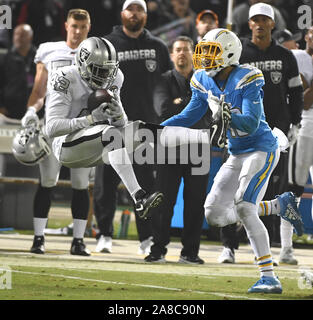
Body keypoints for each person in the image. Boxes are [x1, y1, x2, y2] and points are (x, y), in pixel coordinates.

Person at [160, 27, 303, 293]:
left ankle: (269, 276)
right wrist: (156, 128)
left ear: (228, 53)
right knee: (213, 214)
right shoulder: (202, 78)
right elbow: (189, 115)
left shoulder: (247, 77)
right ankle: (277, 206)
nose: (204, 59)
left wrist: (225, 116)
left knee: (245, 207)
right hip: (237, 152)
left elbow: (249, 122)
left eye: (211, 52)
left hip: (261, 147)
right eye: (202, 52)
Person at [219, 2, 304, 265]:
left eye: (263, 20)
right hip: (242, 132)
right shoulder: (239, 54)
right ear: (249, 24)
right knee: (232, 188)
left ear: (272, 24)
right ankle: (228, 247)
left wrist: (296, 124)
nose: (258, 24)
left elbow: (296, 93)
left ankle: (261, 250)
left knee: (265, 190)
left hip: (274, 133)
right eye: (254, 20)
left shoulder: (285, 56)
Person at [93, 0, 172, 254]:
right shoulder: (108, 44)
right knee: (106, 182)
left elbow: (167, 83)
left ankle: (146, 239)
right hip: (112, 125)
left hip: (145, 127)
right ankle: (104, 234)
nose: (135, 13)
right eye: (131, 9)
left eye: (140, 9)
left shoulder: (158, 46)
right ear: (122, 13)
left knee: (145, 183)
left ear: (146, 15)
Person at [20, 9, 94, 256]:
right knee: (47, 182)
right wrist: (32, 109)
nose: (77, 31)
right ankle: (39, 238)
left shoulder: (96, 52)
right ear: (66, 25)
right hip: (53, 124)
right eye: (74, 26)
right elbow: (40, 89)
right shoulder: (49, 49)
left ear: (88, 28)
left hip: (82, 126)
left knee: (81, 184)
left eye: (82, 27)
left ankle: (78, 241)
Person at [144, 36, 210, 264]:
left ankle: (190, 252)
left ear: (193, 54)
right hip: (169, 147)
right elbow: (162, 109)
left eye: (186, 50)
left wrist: (179, 103)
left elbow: (209, 111)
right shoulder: (162, 80)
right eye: (178, 50)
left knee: (195, 202)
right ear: (172, 55)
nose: (182, 53)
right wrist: (194, 105)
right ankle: (158, 248)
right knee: (163, 200)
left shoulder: (204, 79)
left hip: (199, 147)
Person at [288, 26, 313, 252]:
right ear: (307, 36)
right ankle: (286, 247)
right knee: (293, 189)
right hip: (305, 126)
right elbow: (305, 101)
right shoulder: (297, 57)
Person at [0, 24, 36, 119]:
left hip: (35, 111)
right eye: (16, 34)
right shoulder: (5, 59)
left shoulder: (39, 58)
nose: (18, 37)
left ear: (30, 37)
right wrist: (1, 106)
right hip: (10, 111)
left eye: (22, 35)